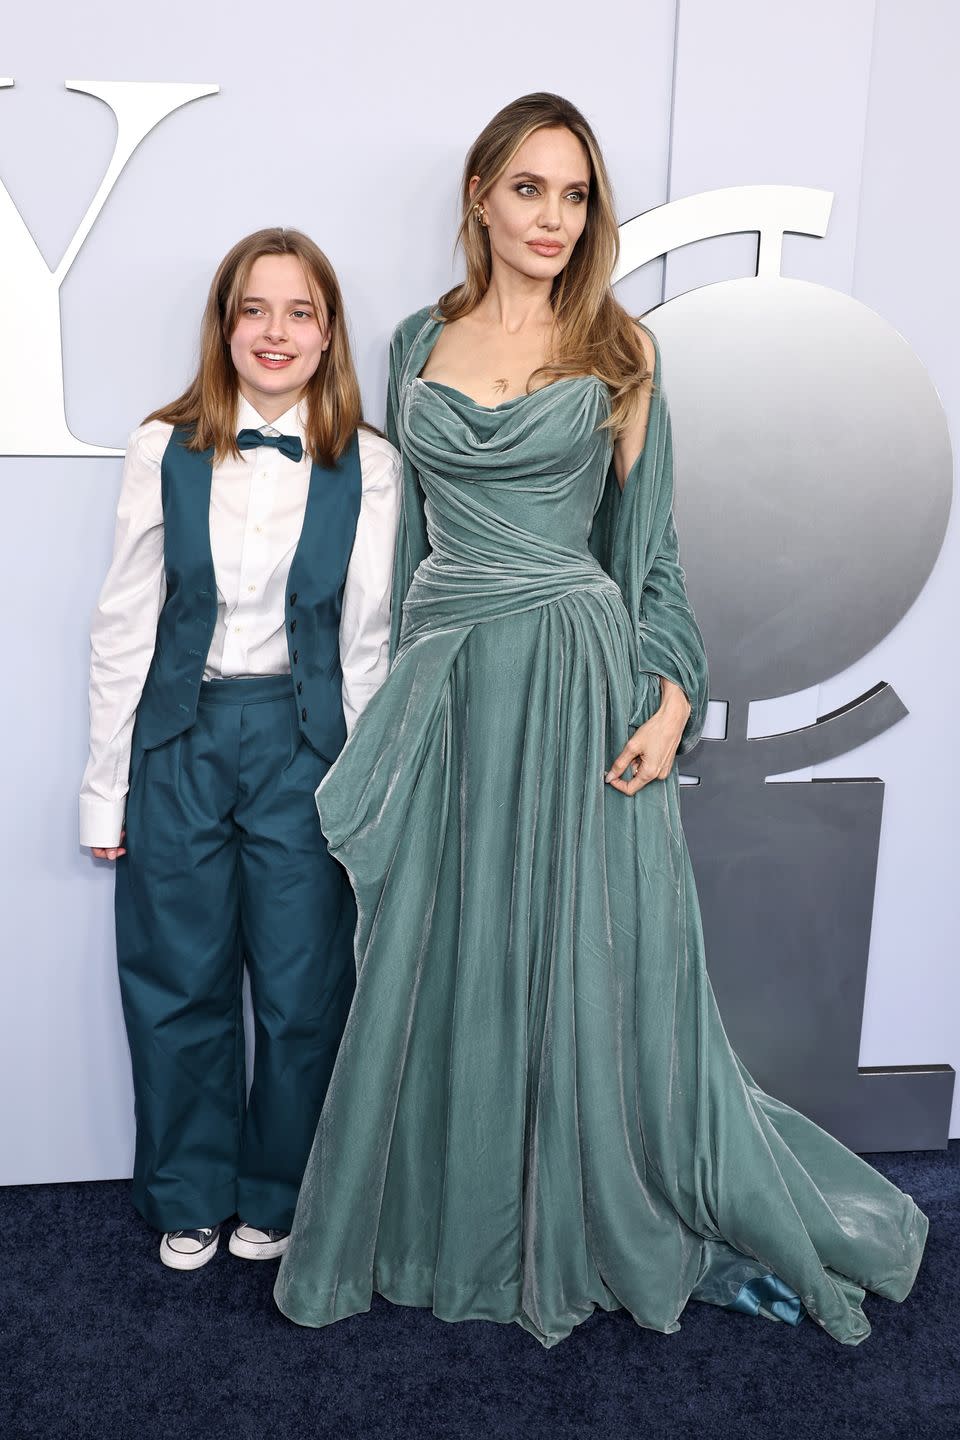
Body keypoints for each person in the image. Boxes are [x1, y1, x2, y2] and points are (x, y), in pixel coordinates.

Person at [274, 96, 928, 1346]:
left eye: (575, 196)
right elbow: (410, 539)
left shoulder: (621, 351)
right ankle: (443, 1212)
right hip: (453, 681)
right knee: (444, 945)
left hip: (576, 677)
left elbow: (653, 553)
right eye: (530, 189)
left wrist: (673, 695)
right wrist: (396, 690)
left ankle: (578, 1210)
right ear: (480, 195)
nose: (554, 219)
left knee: (578, 955)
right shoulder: (415, 340)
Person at [79, 227, 401, 1270]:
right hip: (179, 736)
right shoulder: (159, 446)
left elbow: (370, 645)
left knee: (305, 985)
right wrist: (105, 792)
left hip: (305, 744)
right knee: (177, 974)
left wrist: (370, 801)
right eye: (253, 309)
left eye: (299, 311)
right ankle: (187, 1191)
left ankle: (280, 1189)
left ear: (327, 332)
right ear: (225, 325)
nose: (275, 331)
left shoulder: (372, 463)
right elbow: (124, 621)